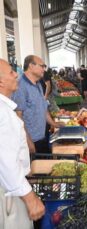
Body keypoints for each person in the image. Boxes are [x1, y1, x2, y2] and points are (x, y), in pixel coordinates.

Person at [0, 58, 45, 228]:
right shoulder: (3, 113)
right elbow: (6, 161)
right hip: (10, 192)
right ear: (1, 82)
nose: (15, 75)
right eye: (12, 72)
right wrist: (30, 198)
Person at [12, 55, 62, 154]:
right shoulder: (21, 86)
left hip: (42, 135)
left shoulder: (38, 84)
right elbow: (18, 117)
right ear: (31, 66)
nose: (44, 69)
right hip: (32, 140)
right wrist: (28, 141)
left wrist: (53, 123)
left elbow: (43, 107)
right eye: (42, 66)